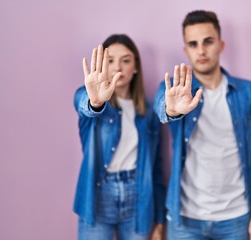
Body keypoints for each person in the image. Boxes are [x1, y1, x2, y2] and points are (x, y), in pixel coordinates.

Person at [154, 10, 251, 240]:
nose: (201, 50)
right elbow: (162, 107)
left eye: (208, 41)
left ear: (221, 44)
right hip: (185, 220)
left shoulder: (250, 94)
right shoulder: (174, 91)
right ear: (185, 50)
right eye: (193, 44)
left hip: (236, 218)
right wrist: (171, 110)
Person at [73, 34, 165, 240]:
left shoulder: (149, 111)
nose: (118, 67)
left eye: (126, 60)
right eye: (110, 60)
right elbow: (83, 103)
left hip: (138, 198)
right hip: (98, 196)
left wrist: (159, 220)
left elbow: (156, 168)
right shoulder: (93, 103)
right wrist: (95, 102)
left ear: (135, 67)